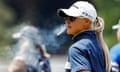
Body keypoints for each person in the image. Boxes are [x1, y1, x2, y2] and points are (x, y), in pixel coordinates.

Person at [57, 1, 111, 72]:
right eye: (66, 18)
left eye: (72, 18)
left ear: (86, 21)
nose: (67, 22)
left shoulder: (77, 48)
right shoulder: (100, 46)